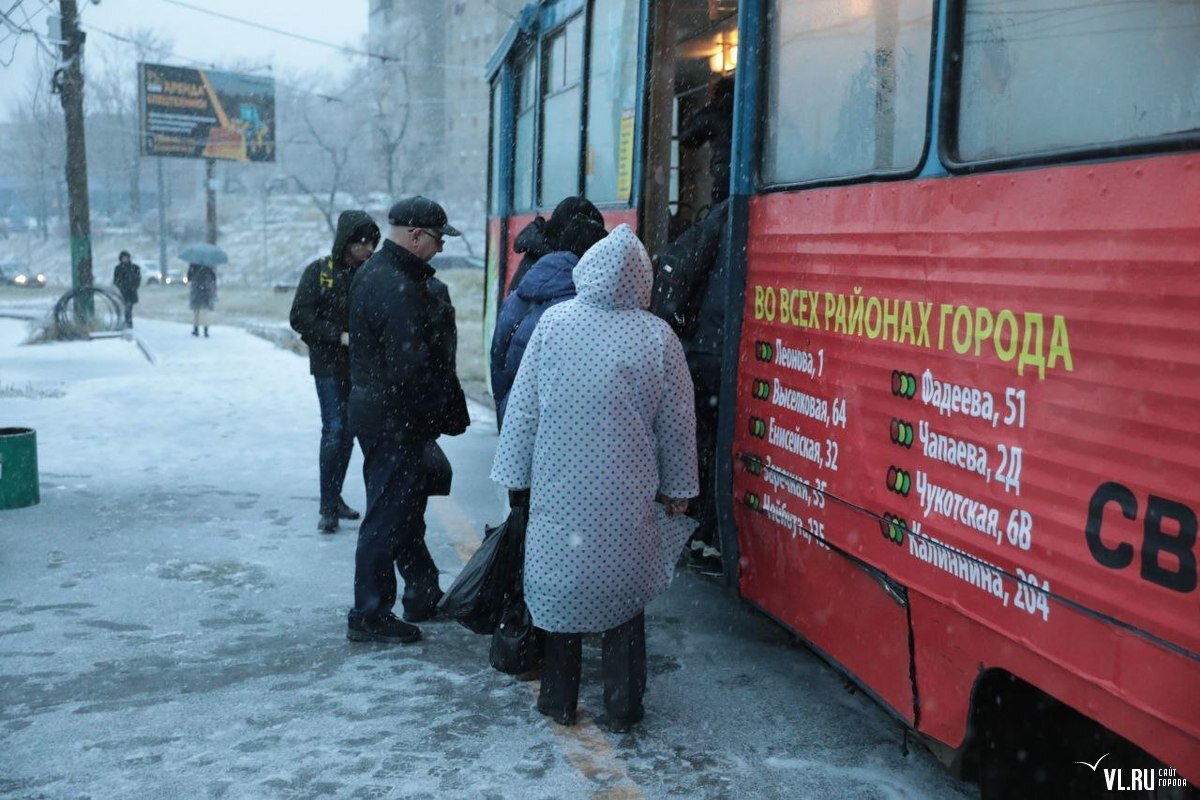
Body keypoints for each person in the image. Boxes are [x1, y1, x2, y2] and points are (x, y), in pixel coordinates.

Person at [491, 224, 698, 733]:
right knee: (624, 597)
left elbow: (523, 411)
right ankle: (624, 703)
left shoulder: (555, 324)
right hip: (626, 498)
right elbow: (676, 424)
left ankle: (558, 699)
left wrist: (515, 477)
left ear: (588, 271)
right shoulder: (657, 337)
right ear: (641, 280)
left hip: (558, 492)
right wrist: (678, 491)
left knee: (562, 596)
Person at [345, 196, 470, 645]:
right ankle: (370, 613)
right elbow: (409, 367)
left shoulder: (377, 274)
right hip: (393, 419)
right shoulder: (395, 284)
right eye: (437, 239)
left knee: (403, 509)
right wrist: (433, 415)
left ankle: (419, 591)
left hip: (383, 413)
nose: (439, 248)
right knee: (388, 514)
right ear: (415, 234)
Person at [290, 210, 381, 533]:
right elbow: (300, 317)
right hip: (328, 366)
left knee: (348, 434)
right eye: (363, 242)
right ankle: (327, 507)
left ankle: (335, 497)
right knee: (335, 429)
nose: (369, 248)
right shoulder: (320, 272)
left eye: (372, 242)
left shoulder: (370, 273)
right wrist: (338, 336)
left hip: (360, 368)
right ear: (347, 242)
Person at [489, 196, 606, 426]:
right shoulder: (574, 291)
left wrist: (507, 410)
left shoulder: (528, 277)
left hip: (518, 413)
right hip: (551, 421)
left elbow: (499, 357)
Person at [679, 76, 734, 205]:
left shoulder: (713, 112)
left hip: (723, 173)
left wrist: (690, 115)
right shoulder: (746, 107)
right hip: (744, 173)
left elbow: (687, 138)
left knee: (719, 213)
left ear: (715, 93)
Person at [187, 262, 217, 337]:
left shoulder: (193, 264)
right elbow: (214, 278)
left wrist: (191, 269)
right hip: (207, 291)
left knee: (196, 311)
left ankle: (196, 329)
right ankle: (205, 330)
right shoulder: (209, 265)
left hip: (196, 290)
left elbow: (189, 278)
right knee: (205, 311)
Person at [113, 251, 141, 328]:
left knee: (129, 307)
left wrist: (134, 287)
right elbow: (116, 280)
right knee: (126, 306)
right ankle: (128, 322)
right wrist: (122, 287)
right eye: (123, 258)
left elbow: (138, 279)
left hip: (132, 291)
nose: (125, 259)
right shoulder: (118, 269)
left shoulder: (135, 268)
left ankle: (128, 322)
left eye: (126, 257)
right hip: (123, 291)